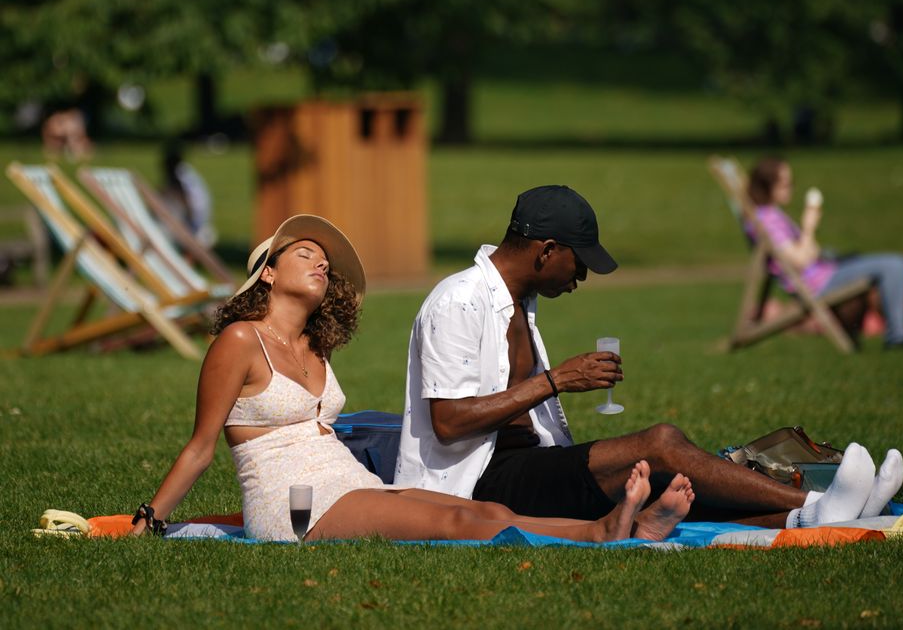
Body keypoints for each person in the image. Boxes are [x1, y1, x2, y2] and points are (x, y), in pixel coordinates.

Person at [131, 214, 695, 543]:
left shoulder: (312, 346)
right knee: (452, 520)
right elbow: (202, 447)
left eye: (325, 260)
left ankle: (608, 526)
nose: (321, 263)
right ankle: (605, 533)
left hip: (347, 482)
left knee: (486, 512)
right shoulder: (238, 342)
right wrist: (150, 519)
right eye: (305, 254)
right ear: (269, 273)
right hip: (291, 502)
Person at [395, 185, 903, 529]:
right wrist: (556, 380)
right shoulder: (458, 300)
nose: (583, 278)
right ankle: (816, 505)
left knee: (673, 480)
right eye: (580, 262)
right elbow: (448, 422)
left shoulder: (516, 301)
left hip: (525, 467)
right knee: (660, 444)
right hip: (473, 485)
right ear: (546, 251)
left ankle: (820, 517)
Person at [747, 157, 903, 348]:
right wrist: (809, 226)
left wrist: (810, 238)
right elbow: (800, 259)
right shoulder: (767, 220)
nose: (792, 188)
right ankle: (897, 336)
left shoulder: (772, 216)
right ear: (768, 186)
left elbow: (810, 252)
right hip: (820, 283)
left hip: (826, 272)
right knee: (895, 264)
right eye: (786, 184)